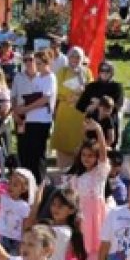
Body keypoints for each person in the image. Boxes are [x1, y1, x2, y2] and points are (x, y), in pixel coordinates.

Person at [13, 51, 56, 182]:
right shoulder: (38, 78)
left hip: (42, 120)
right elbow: (31, 97)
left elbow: (45, 99)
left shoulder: (50, 77)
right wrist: (20, 109)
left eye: (39, 63)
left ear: (46, 63)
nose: (36, 66)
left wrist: (26, 108)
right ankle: (29, 181)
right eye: (36, 63)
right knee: (28, 152)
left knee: (37, 154)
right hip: (30, 119)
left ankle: (40, 182)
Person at [50, 47, 92, 169]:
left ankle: (79, 169)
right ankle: (62, 170)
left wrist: (80, 92)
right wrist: (69, 97)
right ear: (68, 57)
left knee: (79, 142)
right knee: (63, 143)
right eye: (72, 56)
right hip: (65, 110)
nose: (75, 59)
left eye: (78, 57)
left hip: (80, 113)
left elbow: (90, 89)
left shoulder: (87, 72)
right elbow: (57, 89)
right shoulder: (62, 72)